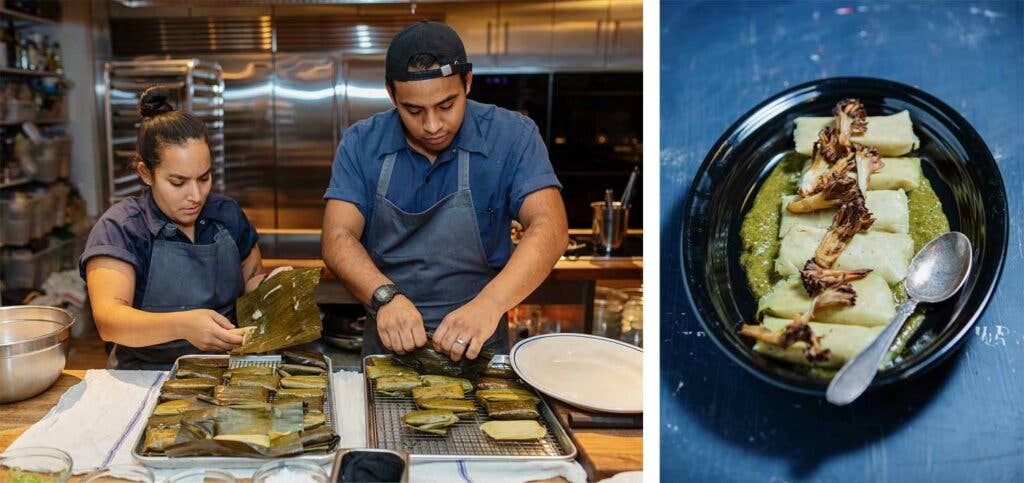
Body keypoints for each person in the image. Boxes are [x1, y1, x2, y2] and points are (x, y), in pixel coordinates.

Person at [322, 20, 569, 361]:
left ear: (467, 82)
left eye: (446, 105)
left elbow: (551, 228)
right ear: (392, 94)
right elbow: (337, 238)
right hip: (387, 347)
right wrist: (384, 298)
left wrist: (489, 304)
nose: (433, 125)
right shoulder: (361, 143)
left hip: (480, 347)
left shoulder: (513, 136)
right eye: (413, 111)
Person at [81, 86, 274, 369]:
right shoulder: (121, 228)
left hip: (226, 371)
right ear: (146, 174)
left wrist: (273, 285)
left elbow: (250, 284)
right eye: (178, 182)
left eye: (204, 178)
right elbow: (109, 320)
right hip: (142, 377)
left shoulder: (227, 215)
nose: (195, 195)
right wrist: (183, 325)